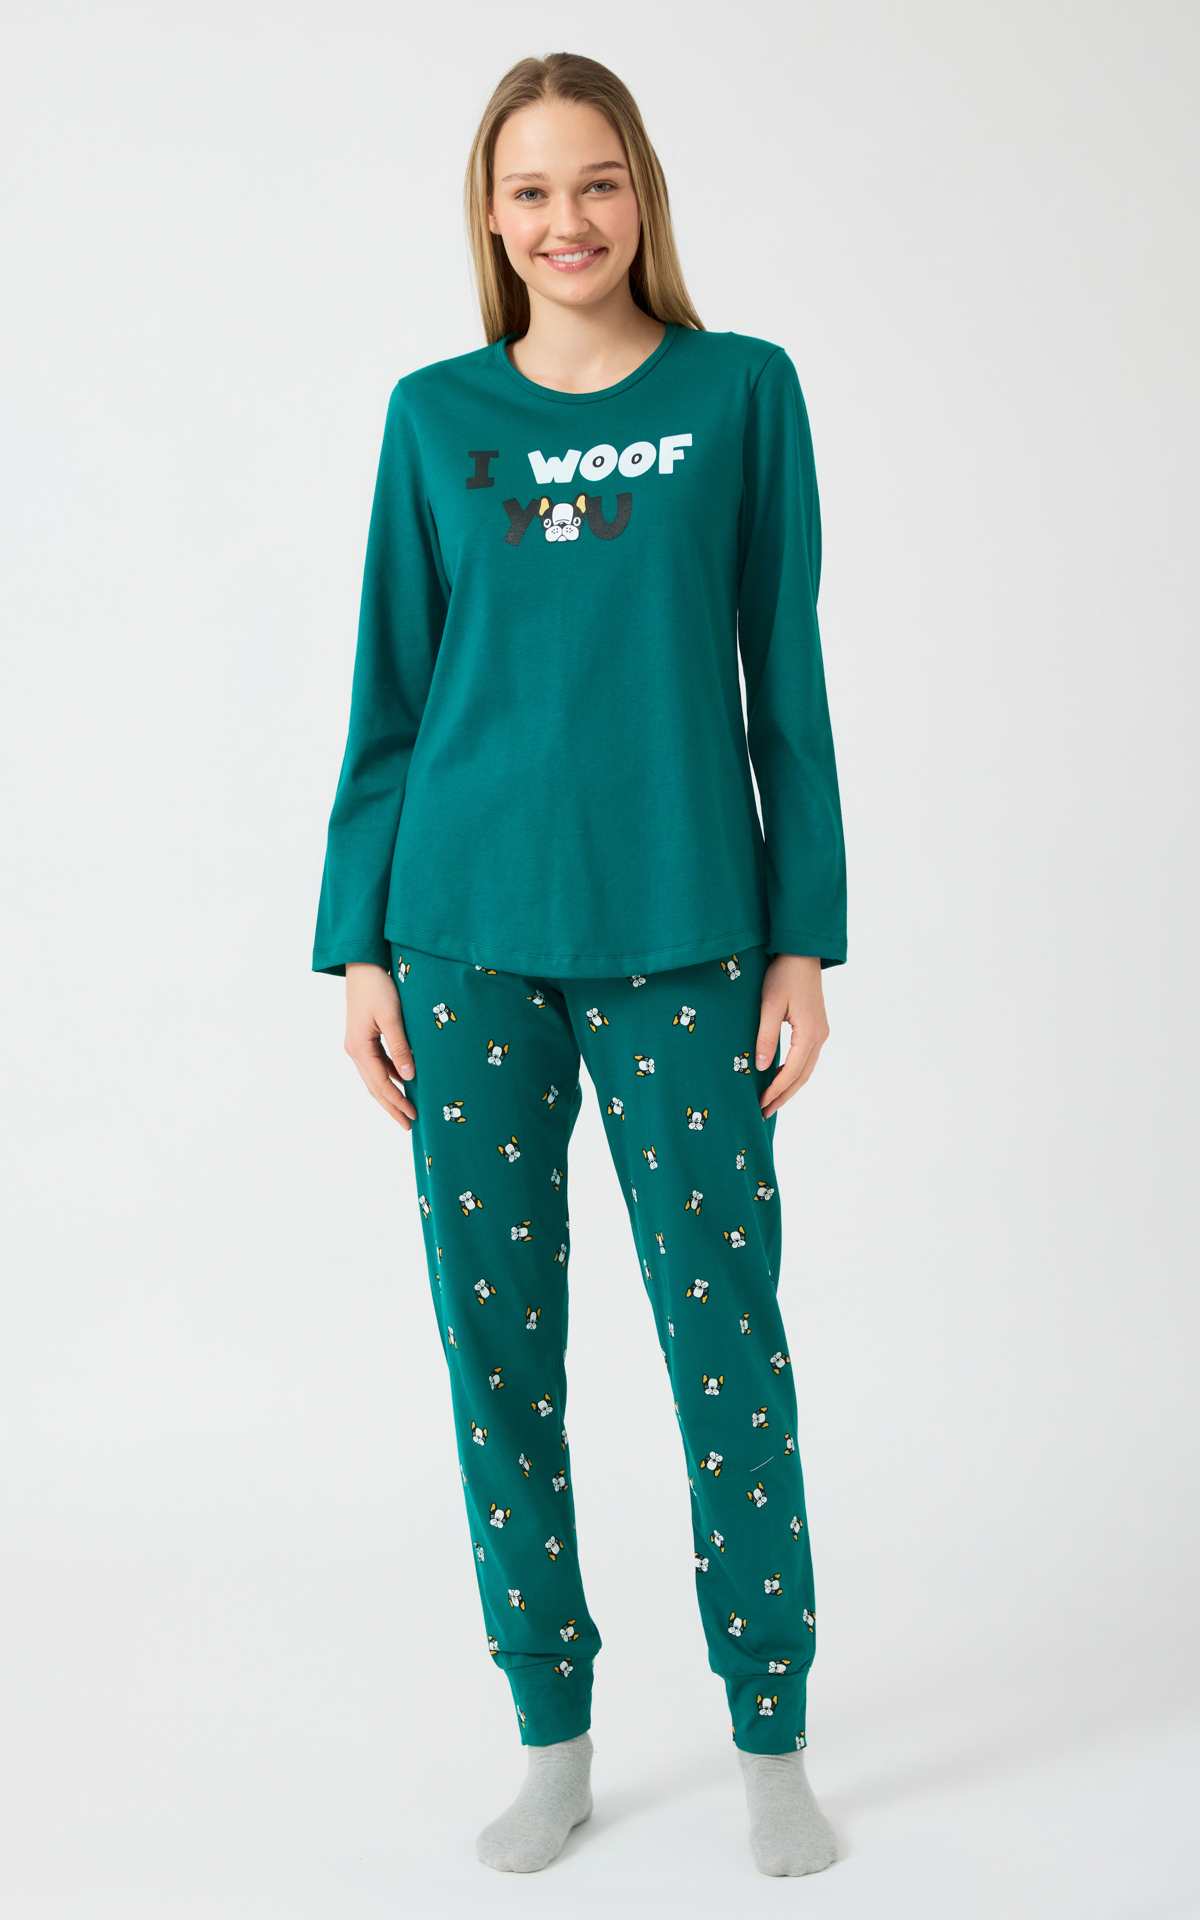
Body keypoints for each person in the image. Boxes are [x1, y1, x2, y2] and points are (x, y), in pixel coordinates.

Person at [313, 50, 847, 1879]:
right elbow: (391, 691)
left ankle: (769, 1734)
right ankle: (553, 1732)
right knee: (499, 1358)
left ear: (644, 195)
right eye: (533, 189)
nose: (569, 221)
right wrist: (359, 948)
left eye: (598, 182)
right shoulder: (433, 416)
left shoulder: (741, 392)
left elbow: (786, 676)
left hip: (688, 936)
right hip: (462, 943)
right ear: (491, 213)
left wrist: (802, 936)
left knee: (727, 1346)